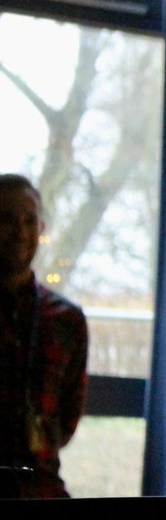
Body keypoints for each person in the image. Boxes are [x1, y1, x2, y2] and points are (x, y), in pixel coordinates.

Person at [0, 174, 88, 498]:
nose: (20, 232)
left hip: (40, 490)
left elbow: (65, 423)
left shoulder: (66, 320)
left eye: (29, 221)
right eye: (7, 220)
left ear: (41, 229)